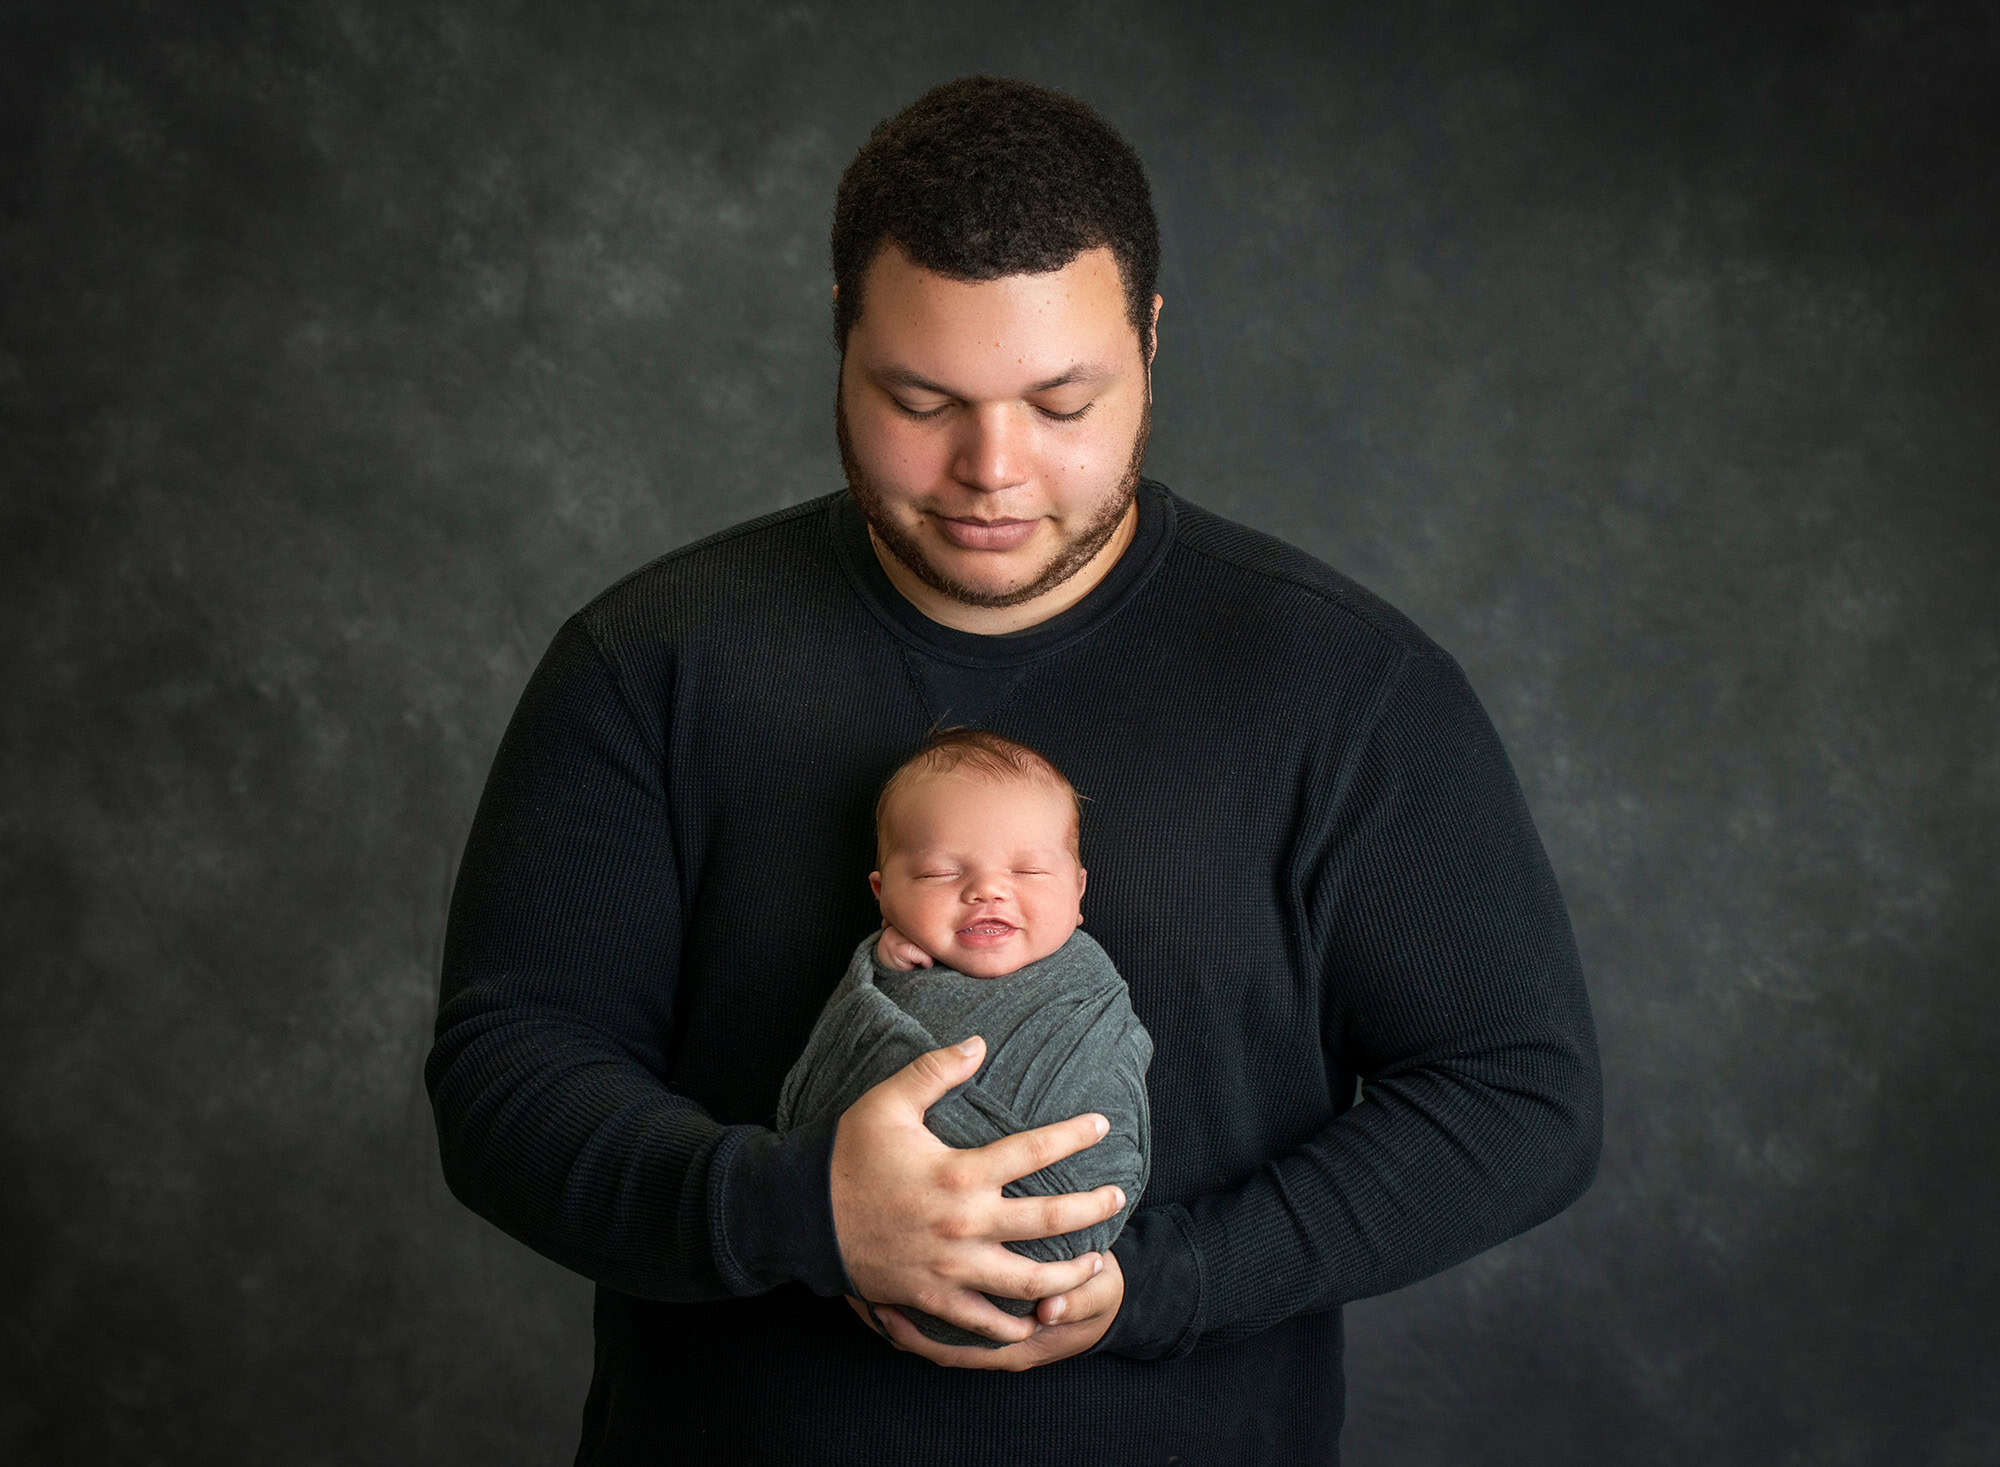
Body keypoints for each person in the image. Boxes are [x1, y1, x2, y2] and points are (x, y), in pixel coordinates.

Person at [426, 74, 1602, 1465]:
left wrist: (1160, 1282)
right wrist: (798, 1209)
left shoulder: (1346, 688)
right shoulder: (650, 662)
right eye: (922, 398)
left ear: (1150, 338)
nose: (992, 468)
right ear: (842, 338)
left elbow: (1519, 1096)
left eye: (1061, 401)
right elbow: (505, 1079)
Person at [774, 727, 1153, 1350]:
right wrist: (886, 973)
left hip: (1074, 1250)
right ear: (883, 894)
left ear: (1078, 890)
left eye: (1029, 870)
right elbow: (832, 1081)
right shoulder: (884, 977)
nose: (988, 891)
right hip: (868, 1238)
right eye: (938, 873)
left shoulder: (1086, 985)